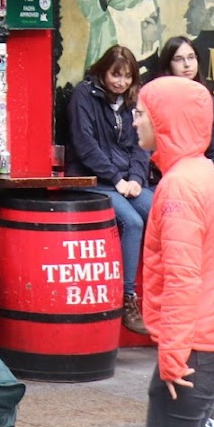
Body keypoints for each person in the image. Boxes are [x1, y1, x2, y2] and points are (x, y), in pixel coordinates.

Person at [134, 77, 214, 427]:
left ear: (166, 119)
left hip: (196, 348)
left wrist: (173, 355)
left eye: (142, 113)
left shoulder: (179, 187)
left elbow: (182, 277)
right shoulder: (208, 174)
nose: (135, 121)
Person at [66, 44, 152, 335]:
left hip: (126, 181)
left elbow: (141, 144)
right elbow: (85, 146)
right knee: (133, 222)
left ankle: (173, 295)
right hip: (92, 180)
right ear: (103, 72)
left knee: (162, 211)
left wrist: (136, 178)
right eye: (116, 75)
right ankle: (128, 298)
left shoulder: (133, 99)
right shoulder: (84, 95)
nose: (121, 82)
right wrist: (117, 179)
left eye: (127, 76)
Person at [143, 35, 214, 172]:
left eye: (191, 57)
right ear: (168, 63)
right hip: (162, 174)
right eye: (178, 59)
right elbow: (146, 149)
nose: (187, 64)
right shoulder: (155, 99)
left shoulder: (206, 99)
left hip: (200, 174)